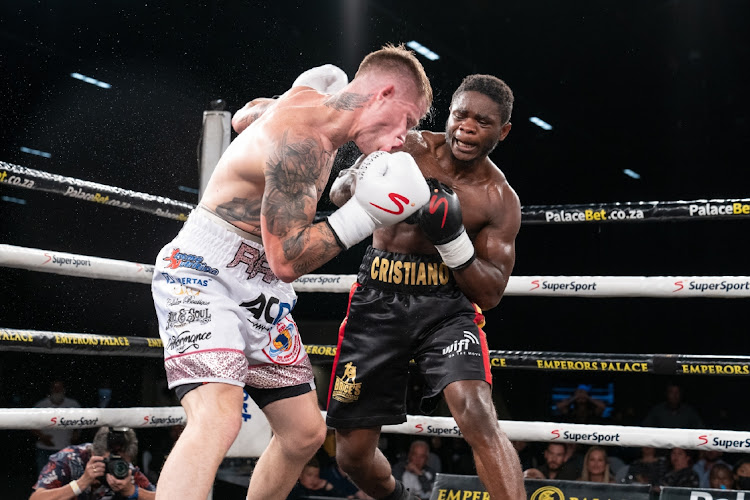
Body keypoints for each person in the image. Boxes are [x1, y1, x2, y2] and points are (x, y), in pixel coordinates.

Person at [151, 44, 433, 500]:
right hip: (204, 274)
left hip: (260, 291)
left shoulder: (316, 100)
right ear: (382, 94)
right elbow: (286, 261)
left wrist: (262, 113)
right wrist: (364, 215)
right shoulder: (302, 139)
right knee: (218, 417)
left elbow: (248, 116)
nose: (404, 138)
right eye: (408, 120)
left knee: (303, 433)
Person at [327, 74, 525, 500]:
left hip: (446, 311)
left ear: (503, 131)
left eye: (482, 122)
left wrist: (452, 240)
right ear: (449, 114)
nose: (466, 127)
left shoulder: (498, 199)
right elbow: (338, 192)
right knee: (353, 456)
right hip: (378, 300)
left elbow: (489, 293)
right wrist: (364, 178)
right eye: (460, 115)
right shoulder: (410, 147)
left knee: (476, 414)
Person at [31, 426, 156, 500]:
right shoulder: (68, 459)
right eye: (110, 462)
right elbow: (36, 498)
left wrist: (133, 491)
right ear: (94, 454)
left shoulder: (125, 470)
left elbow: (165, 496)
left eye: (122, 462)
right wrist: (80, 484)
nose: (115, 466)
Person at [32, 380, 81, 474]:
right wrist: (42, 437)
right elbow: (31, 424)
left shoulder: (73, 405)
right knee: (44, 478)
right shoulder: (41, 405)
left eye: (59, 388)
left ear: (64, 390)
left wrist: (75, 434)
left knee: (65, 478)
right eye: (55, 388)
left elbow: (80, 423)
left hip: (65, 448)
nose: (57, 391)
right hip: (44, 449)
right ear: (50, 390)